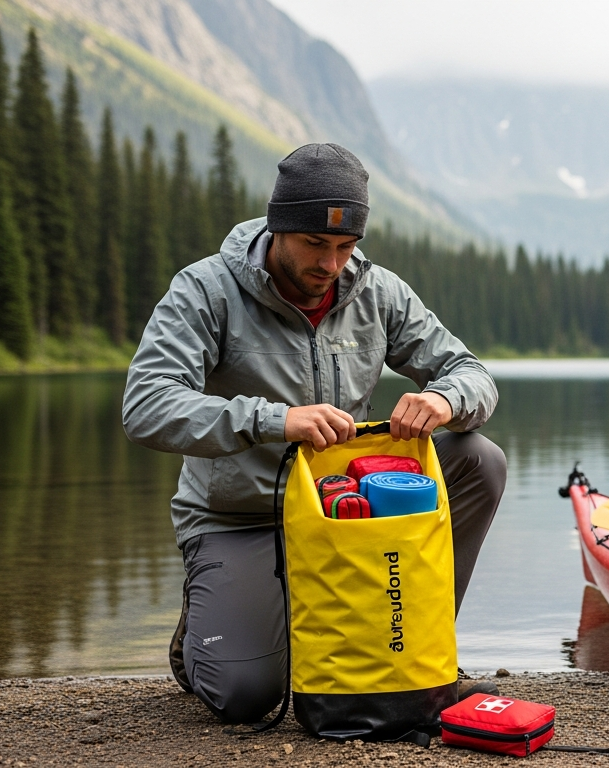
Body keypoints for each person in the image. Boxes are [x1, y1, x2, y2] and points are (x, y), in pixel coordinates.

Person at [122, 143, 505, 725]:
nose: (332, 265)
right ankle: (203, 629)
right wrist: (272, 419)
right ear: (278, 228)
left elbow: (472, 374)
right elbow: (146, 405)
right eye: (315, 245)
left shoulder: (379, 294)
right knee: (248, 696)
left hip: (349, 514)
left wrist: (442, 399)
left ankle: (406, 647)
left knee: (477, 458)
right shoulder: (206, 289)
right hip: (243, 517)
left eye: (347, 247)